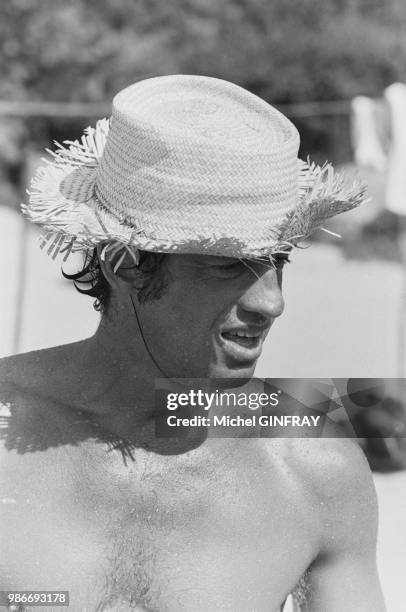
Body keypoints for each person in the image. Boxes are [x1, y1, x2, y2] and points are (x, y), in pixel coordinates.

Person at [0, 75, 385, 611]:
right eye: (229, 266)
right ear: (124, 264)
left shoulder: (312, 468)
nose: (271, 303)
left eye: (280, 261)